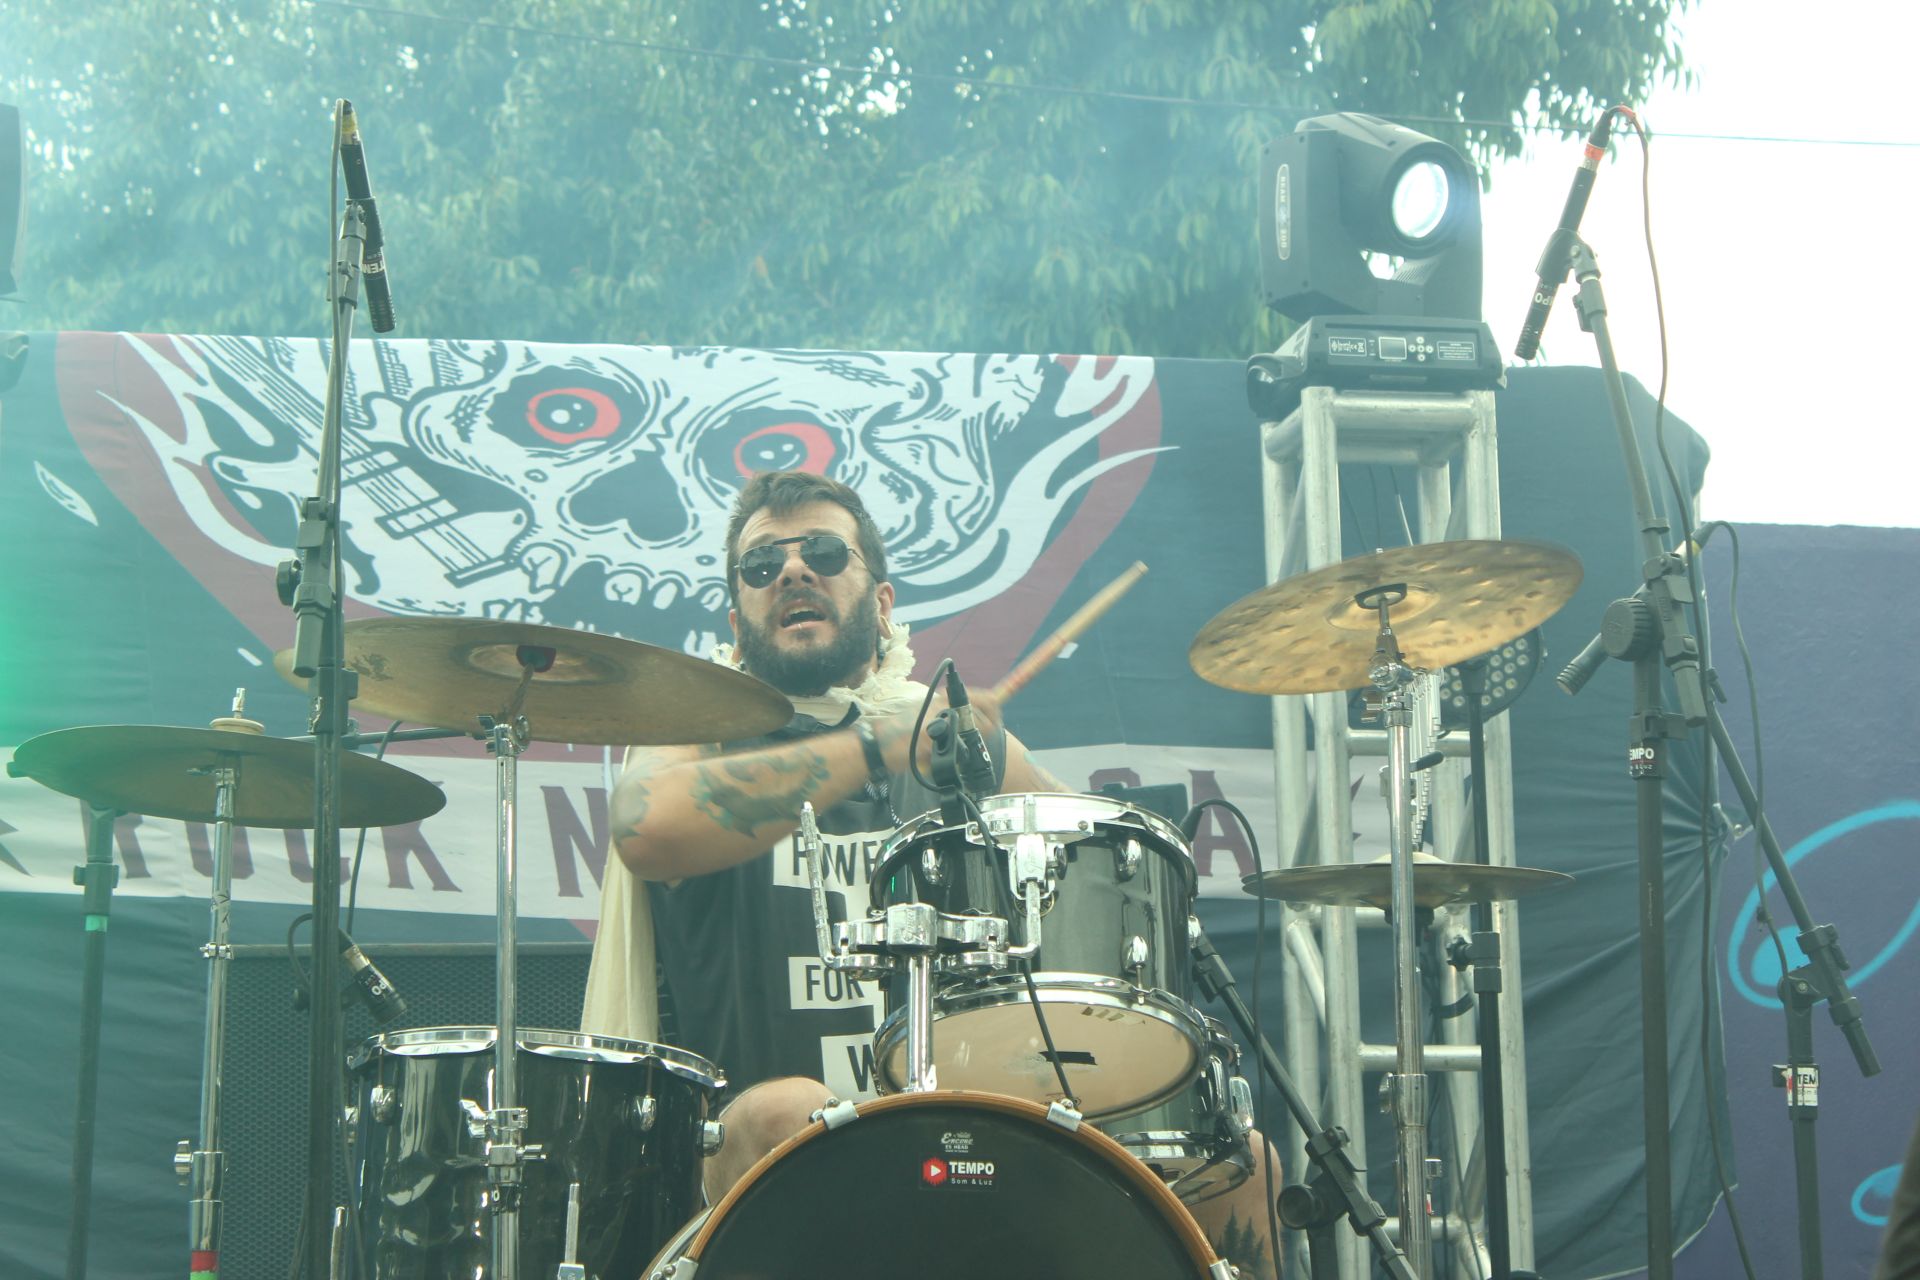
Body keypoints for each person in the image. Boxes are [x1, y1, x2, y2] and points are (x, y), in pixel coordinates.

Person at [587, 470, 1282, 1278]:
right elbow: (646, 829)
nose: (793, 571)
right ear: (736, 622)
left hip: (969, 1136)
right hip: (751, 1148)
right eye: (762, 565)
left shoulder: (957, 744)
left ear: (883, 604)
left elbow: (1111, 872)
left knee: (1245, 1167)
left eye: (823, 553)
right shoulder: (695, 734)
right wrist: (877, 746)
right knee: (792, 1110)